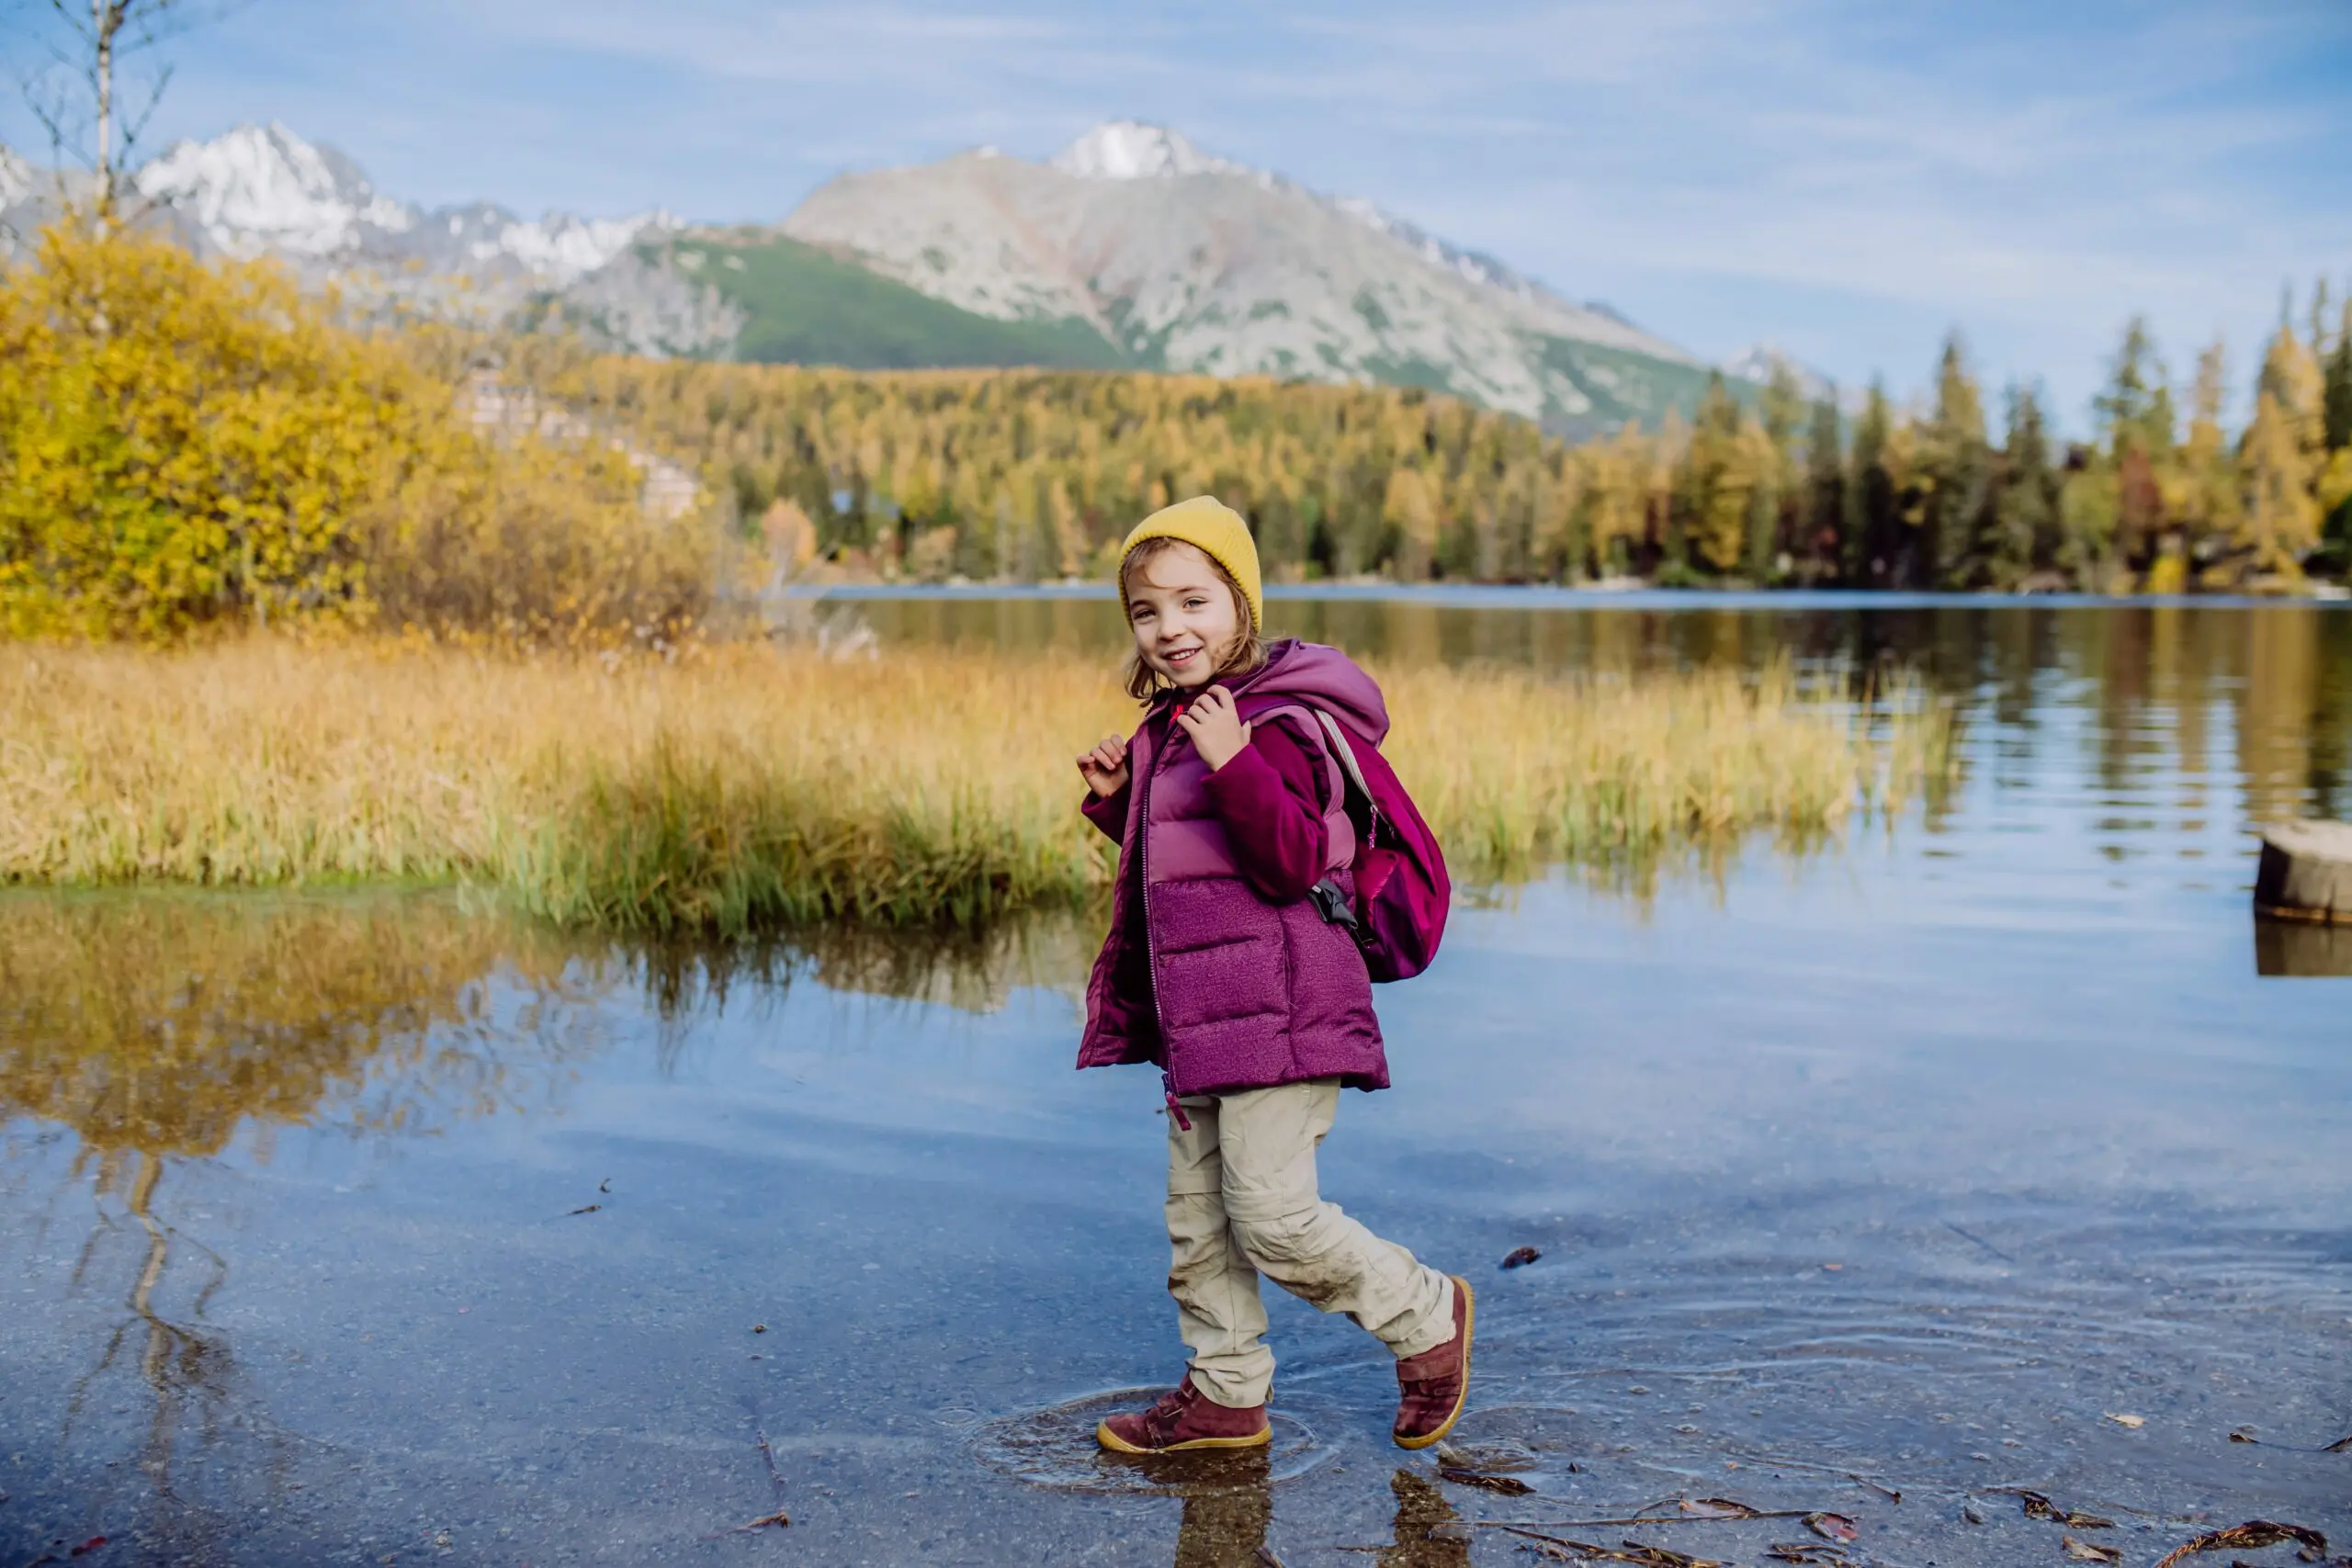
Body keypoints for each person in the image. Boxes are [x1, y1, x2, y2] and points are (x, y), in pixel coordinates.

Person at [1072, 495, 1471, 1456]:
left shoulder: (1282, 722)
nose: (1170, 628)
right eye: (1146, 611)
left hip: (1285, 1014)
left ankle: (1425, 1318)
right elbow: (1190, 866)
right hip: (1203, 1018)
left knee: (1275, 1217)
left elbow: (1290, 862)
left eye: (1192, 601)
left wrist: (1233, 760)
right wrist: (1116, 805)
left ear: (1240, 602)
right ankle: (1223, 1395)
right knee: (1197, 1227)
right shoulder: (1177, 723)